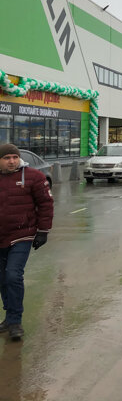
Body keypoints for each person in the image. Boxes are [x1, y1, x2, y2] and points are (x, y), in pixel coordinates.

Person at [0, 143, 53, 341]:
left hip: (22, 235)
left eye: (15, 157)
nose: (12, 161)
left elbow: (45, 203)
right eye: (7, 158)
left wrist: (43, 231)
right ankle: (9, 317)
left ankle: (15, 322)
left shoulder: (33, 176)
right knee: (2, 279)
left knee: (13, 275)